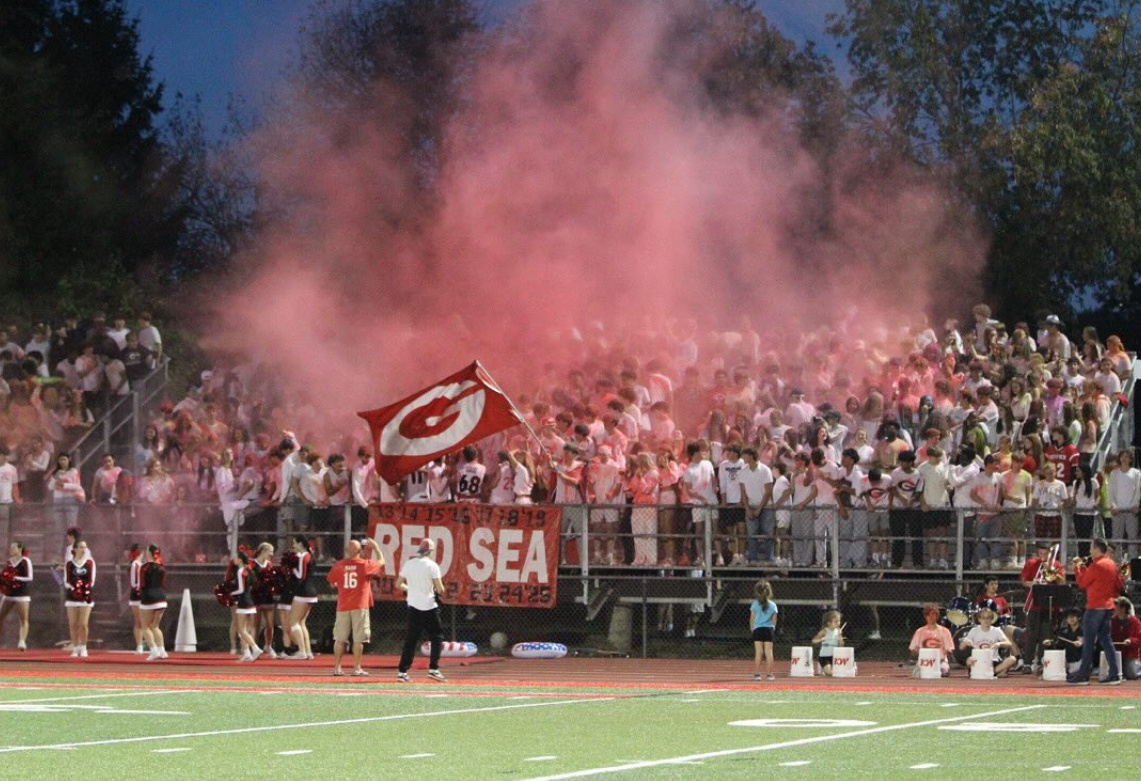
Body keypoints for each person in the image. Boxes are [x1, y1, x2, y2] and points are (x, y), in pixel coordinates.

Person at [1068, 538, 1124, 684]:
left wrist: (1077, 567)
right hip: (1108, 606)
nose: (1090, 551)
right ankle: (1114, 674)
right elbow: (1116, 584)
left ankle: (1083, 675)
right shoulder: (1111, 564)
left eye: (1092, 548)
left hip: (1095, 607)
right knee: (1106, 640)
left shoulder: (1096, 565)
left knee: (1088, 642)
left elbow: (1082, 583)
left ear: (1097, 549)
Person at [326, 538, 385, 677]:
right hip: (359, 605)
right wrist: (376, 548)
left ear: (347, 550)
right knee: (358, 639)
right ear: (361, 550)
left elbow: (331, 583)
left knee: (340, 639)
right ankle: (357, 668)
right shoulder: (364, 564)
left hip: (343, 605)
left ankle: (337, 668)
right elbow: (382, 562)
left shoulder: (339, 565)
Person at [395, 538, 447, 683]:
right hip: (429, 606)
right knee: (437, 637)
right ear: (430, 551)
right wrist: (438, 591)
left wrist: (411, 589)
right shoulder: (432, 566)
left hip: (413, 607)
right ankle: (433, 669)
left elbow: (399, 584)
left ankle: (402, 671)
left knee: (411, 640)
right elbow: (440, 589)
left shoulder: (409, 564)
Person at [960, 607, 1017, 677]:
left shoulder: (996, 630)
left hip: (993, 661)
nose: (986, 620)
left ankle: (991, 672)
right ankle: (995, 673)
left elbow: (1009, 643)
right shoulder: (974, 630)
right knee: (968, 661)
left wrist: (999, 643)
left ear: (991, 619)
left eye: (988, 618)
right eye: (983, 618)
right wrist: (966, 643)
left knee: (1012, 659)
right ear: (979, 619)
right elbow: (961, 647)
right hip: (978, 660)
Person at [287, 536, 317, 660]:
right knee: (301, 623)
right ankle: (308, 652)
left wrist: (291, 568)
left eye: (294, 543)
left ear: (300, 544)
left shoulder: (303, 556)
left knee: (293, 622)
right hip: (310, 592)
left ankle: (302, 651)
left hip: (303, 592)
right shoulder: (309, 555)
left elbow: (301, 575)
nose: (293, 546)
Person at [64, 540, 95, 658]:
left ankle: (83, 647)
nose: (84, 550)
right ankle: (75, 647)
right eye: (81, 547)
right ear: (75, 549)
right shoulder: (69, 564)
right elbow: (66, 581)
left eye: (85, 547)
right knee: (73, 624)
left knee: (83, 624)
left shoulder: (90, 563)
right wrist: (74, 587)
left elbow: (91, 580)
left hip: (85, 597)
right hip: (72, 597)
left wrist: (82, 588)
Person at [0, 542, 32, 650]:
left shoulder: (25, 561)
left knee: (23, 619)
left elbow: (29, 577)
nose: (11, 549)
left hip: (21, 594)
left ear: (20, 549)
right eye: (11, 547)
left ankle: (22, 641)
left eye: (13, 547)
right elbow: (5, 576)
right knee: (1, 616)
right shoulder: (9, 562)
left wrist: (15, 578)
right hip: (9, 593)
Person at [139, 544, 168, 661]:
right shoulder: (161, 566)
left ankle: (154, 651)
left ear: (149, 553)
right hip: (161, 597)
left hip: (148, 597)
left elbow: (142, 584)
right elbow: (162, 582)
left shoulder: (144, 567)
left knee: (145, 627)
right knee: (155, 626)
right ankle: (163, 651)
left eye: (146, 550)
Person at [909, 603, 954, 677]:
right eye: (928, 615)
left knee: (944, 671)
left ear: (937, 616)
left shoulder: (945, 631)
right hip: (925, 661)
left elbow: (949, 651)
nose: (930, 617)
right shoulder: (919, 631)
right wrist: (916, 652)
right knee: (917, 674)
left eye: (933, 614)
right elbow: (913, 652)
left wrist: (947, 653)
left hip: (940, 661)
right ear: (925, 616)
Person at [231, 551, 261, 662]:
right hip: (250, 602)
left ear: (240, 560)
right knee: (244, 630)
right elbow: (251, 586)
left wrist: (231, 593)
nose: (234, 560)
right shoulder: (248, 570)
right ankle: (247, 653)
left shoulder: (240, 571)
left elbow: (241, 589)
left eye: (236, 558)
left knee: (241, 630)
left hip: (243, 602)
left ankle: (255, 648)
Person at [749, 580, 777, 681]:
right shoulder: (773, 605)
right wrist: (773, 628)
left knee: (758, 652)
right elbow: (774, 620)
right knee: (769, 652)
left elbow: (752, 618)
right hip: (768, 629)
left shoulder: (755, 604)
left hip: (757, 629)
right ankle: (769, 674)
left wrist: (752, 628)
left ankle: (757, 674)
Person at [1042, 609, 1084, 676]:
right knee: (1044, 659)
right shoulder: (1064, 631)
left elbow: (1088, 644)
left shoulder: (1084, 631)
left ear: (1079, 617)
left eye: (1073, 616)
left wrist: (1081, 643)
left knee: (1078, 668)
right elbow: (1059, 646)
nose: (1071, 619)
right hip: (1066, 661)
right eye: (1068, 617)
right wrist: (1050, 644)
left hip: (1079, 660)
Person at [1110, 597, 1141, 681]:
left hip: (1129, 654)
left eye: (1117, 606)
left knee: (1132, 674)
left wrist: (1130, 640)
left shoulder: (1135, 622)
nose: (1114, 608)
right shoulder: (1112, 621)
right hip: (1115, 653)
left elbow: (1139, 638)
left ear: (1123, 608)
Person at [812, 610, 844, 676]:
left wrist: (840, 637)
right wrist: (821, 639)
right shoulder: (824, 631)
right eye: (836, 621)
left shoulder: (838, 631)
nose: (838, 623)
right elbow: (814, 641)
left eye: (839, 621)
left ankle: (824, 668)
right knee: (829, 673)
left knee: (840, 673)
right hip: (825, 656)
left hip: (835, 656)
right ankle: (824, 667)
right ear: (829, 623)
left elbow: (841, 645)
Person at [127, 544, 145, 653]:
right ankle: (139, 645)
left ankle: (144, 644)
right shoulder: (135, 565)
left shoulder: (141, 564)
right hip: (137, 595)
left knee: (145, 622)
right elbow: (134, 583)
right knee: (139, 621)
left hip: (143, 595)